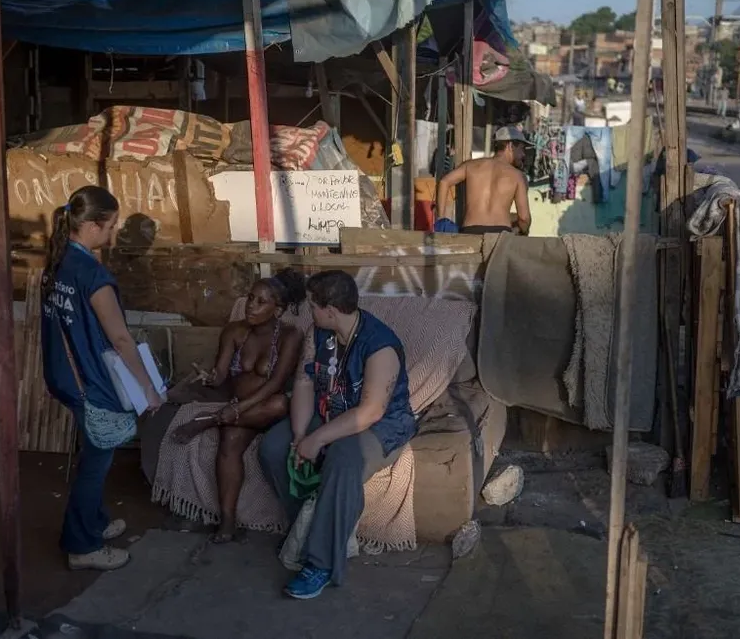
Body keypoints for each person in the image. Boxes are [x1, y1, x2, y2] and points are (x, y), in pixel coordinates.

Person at [258, 271, 417, 600]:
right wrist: (301, 435)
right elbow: (304, 381)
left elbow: (371, 411)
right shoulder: (319, 331)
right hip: (330, 410)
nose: (309, 313)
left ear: (330, 309)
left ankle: (320, 562)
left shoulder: (379, 345)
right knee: (275, 447)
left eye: (313, 306)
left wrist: (317, 440)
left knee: (344, 460)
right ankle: (309, 527)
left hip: (381, 424)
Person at [42, 186, 164, 572]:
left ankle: (94, 521)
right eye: (111, 226)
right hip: (92, 382)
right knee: (96, 462)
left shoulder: (59, 261)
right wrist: (148, 388)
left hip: (65, 375)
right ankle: (82, 544)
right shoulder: (94, 275)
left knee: (93, 452)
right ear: (93, 225)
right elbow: (121, 338)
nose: (112, 236)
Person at [169, 269, 305, 543]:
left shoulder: (291, 336)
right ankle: (228, 522)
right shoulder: (234, 331)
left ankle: (209, 419)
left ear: (277, 310)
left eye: (260, 302)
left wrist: (237, 409)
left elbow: (275, 383)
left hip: (265, 407)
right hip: (238, 411)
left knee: (280, 403)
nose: (251, 307)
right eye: (250, 298)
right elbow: (221, 373)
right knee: (229, 439)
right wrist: (210, 378)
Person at [434, 126, 531, 236]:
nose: (523, 155)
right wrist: (518, 231)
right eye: (522, 149)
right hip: (500, 234)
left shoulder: (471, 165)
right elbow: (524, 219)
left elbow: (444, 182)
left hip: (470, 232)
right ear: (510, 146)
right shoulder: (518, 176)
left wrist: (440, 218)